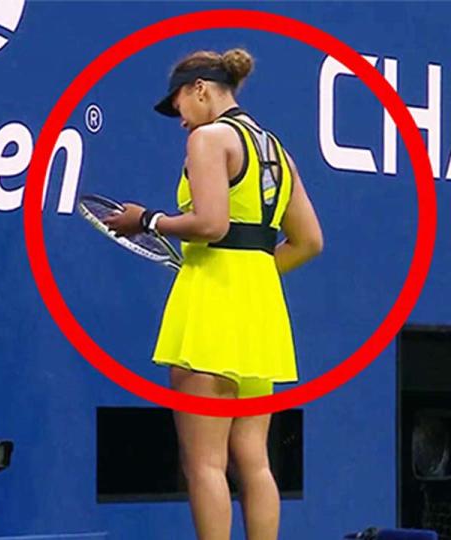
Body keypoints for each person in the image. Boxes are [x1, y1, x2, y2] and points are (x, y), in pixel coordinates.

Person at [103, 48, 323, 540]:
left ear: (200, 90)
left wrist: (147, 220)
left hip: (211, 307)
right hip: (259, 308)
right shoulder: (277, 151)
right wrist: (252, 271)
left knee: (203, 462)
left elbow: (210, 223)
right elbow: (309, 241)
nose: (179, 119)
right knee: (255, 462)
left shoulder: (209, 138)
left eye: (178, 103)